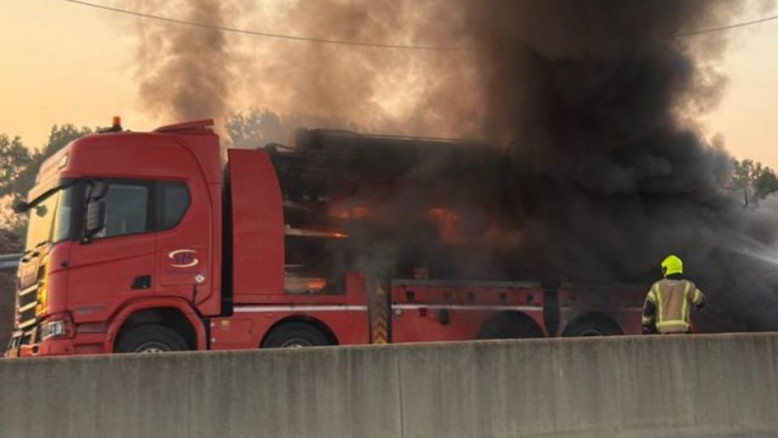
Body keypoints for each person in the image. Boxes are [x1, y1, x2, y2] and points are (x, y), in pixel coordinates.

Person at [642, 255, 705, 334]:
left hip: (662, 332)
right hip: (681, 331)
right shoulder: (687, 286)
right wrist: (699, 307)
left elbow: (648, 309)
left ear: (665, 269)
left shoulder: (657, 286)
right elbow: (701, 301)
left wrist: (646, 326)